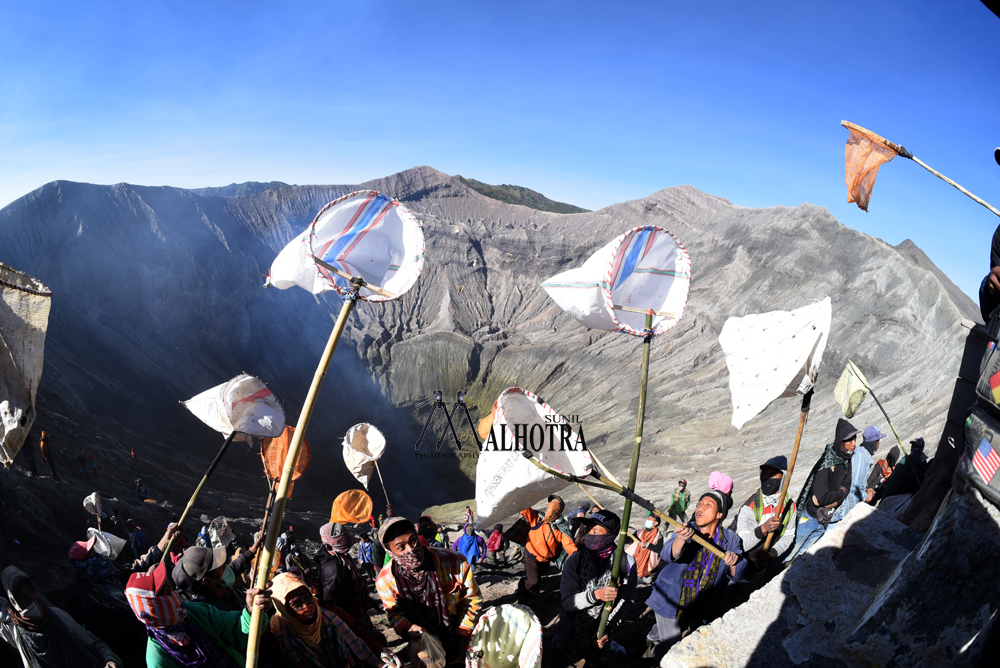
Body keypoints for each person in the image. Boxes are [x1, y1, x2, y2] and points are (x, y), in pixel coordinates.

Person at [647, 483, 746, 658]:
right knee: (672, 645)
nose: (701, 507)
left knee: (665, 630)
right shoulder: (687, 529)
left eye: (708, 505)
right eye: (700, 503)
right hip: (669, 596)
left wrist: (733, 562)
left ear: (720, 514)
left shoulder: (731, 540)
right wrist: (680, 540)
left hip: (698, 603)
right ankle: (655, 654)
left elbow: (739, 573)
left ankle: (649, 642)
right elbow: (667, 554)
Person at [375, 517, 482, 665]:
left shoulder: (453, 561)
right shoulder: (386, 580)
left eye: (413, 541)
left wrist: (463, 634)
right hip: (421, 646)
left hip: (458, 636)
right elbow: (394, 613)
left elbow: (472, 599)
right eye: (401, 547)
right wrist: (407, 628)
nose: (411, 549)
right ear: (390, 552)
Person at [125, 561, 271, 668]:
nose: (172, 592)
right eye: (165, 591)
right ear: (152, 609)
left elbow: (233, 628)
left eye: (169, 585)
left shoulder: (194, 611)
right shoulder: (158, 659)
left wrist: (252, 612)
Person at [0, 565, 121, 668]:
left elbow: (94, 644)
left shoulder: (57, 616)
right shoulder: (18, 635)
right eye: (22, 597)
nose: (31, 599)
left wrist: (110, 660)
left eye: (30, 590)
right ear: (14, 605)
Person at [555, 509, 637, 657]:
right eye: (588, 530)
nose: (589, 535)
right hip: (572, 620)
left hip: (603, 622)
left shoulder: (626, 563)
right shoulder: (575, 560)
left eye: (596, 531)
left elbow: (626, 599)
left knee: (596, 652)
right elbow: (567, 602)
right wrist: (596, 595)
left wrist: (608, 627)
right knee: (564, 647)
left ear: (610, 535)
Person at [260, 572, 381, 668]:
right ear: (283, 608)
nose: (306, 606)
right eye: (296, 604)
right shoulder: (275, 634)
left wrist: (381, 653)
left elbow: (359, 635)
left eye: (307, 598)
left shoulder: (332, 614)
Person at [787, 418, 858, 561]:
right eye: (849, 440)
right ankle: (770, 575)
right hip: (810, 517)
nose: (854, 444)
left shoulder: (846, 460)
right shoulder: (827, 462)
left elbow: (848, 486)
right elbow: (819, 499)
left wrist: (833, 502)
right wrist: (840, 493)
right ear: (840, 442)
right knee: (791, 550)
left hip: (825, 518)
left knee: (804, 553)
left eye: (855, 439)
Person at [734, 455, 797, 571]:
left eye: (773, 475)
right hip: (742, 564)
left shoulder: (790, 506)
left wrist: (771, 554)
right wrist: (763, 528)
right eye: (765, 474)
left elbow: (788, 535)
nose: (767, 478)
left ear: (783, 478)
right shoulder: (750, 506)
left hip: (766, 562)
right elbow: (742, 545)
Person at [314, 523, 373, 630]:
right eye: (342, 535)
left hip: (358, 611)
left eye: (346, 532)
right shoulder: (334, 570)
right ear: (330, 541)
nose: (347, 536)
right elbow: (329, 603)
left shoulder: (340, 555)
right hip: (351, 619)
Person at [518, 497, 577, 597]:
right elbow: (524, 508)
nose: (554, 503)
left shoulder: (561, 526)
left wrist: (575, 554)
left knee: (540, 574)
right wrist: (523, 494)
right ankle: (523, 596)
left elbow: (568, 544)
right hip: (531, 556)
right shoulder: (536, 518)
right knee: (533, 580)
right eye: (552, 501)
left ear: (560, 509)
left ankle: (534, 588)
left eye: (557, 502)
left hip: (546, 559)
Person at [832, 425, 883, 523]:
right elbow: (850, 491)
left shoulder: (859, 452)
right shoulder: (862, 459)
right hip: (840, 514)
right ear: (876, 443)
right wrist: (865, 496)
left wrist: (864, 490)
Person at [630, 512, 664, 582]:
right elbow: (630, 541)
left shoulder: (659, 537)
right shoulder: (639, 532)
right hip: (635, 558)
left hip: (648, 562)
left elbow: (659, 549)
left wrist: (647, 545)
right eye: (648, 517)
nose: (648, 519)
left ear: (655, 523)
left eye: (651, 518)